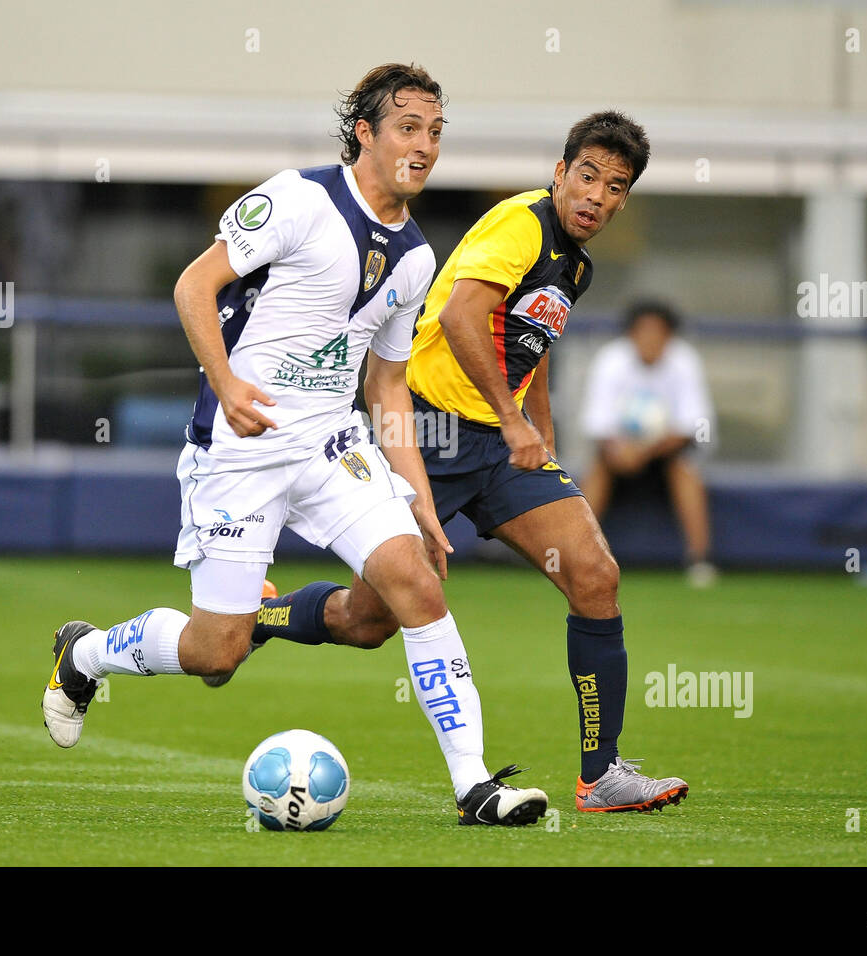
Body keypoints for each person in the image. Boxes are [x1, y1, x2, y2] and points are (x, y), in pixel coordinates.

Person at [41, 63, 548, 827]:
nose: (424, 145)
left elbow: (386, 390)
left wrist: (418, 502)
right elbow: (192, 285)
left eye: (436, 132)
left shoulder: (415, 259)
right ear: (366, 133)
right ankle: (84, 654)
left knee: (412, 588)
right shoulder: (298, 198)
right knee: (217, 654)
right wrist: (227, 382)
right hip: (240, 448)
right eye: (408, 128)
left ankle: (476, 787)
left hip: (330, 445)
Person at [247, 110, 689, 813]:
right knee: (369, 623)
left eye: (615, 185)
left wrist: (537, 436)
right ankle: (255, 621)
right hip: (428, 434)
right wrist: (515, 422)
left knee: (596, 575)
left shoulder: (575, 263)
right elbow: (460, 316)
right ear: (559, 173)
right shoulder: (522, 225)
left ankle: (600, 776)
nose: (596, 195)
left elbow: (529, 345)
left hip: (500, 447)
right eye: (587, 176)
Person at [579, 301, 717, 587]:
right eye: (644, 332)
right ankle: (574, 555)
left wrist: (646, 450)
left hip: (668, 452)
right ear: (630, 334)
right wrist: (621, 450)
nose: (651, 339)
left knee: (687, 473)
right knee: (595, 473)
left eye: (659, 332)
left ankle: (700, 560)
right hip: (619, 452)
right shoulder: (611, 359)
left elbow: (693, 425)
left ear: (670, 336)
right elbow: (598, 424)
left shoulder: (685, 361)